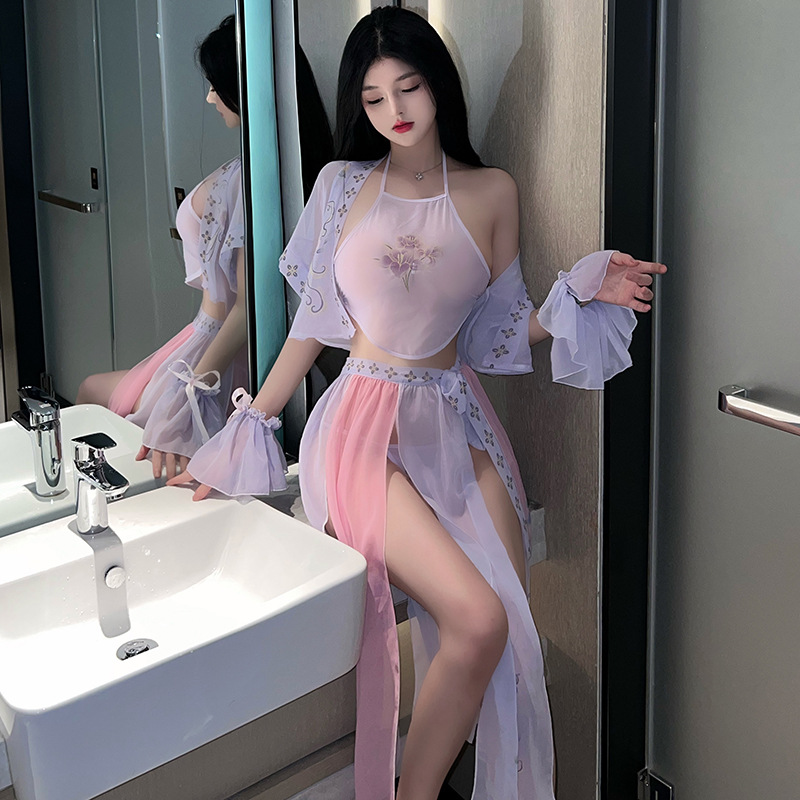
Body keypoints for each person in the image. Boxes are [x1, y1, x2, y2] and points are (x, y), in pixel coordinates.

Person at [169, 7, 666, 800]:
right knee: (478, 619)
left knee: (510, 637)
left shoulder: (493, 191)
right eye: (373, 98)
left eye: (408, 87)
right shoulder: (341, 185)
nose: (394, 109)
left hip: (457, 417)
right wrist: (247, 430)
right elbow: (311, 328)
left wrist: (577, 293)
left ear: (438, 84)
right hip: (359, 424)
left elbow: (496, 338)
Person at [75, 14, 249, 479]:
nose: (210, 97)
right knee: (94, 391)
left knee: (99, 398)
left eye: (216, 85)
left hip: (214, 346)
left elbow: (244, 308)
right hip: (203, 337)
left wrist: (193, 391)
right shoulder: (251, 168)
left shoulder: (245, 180)